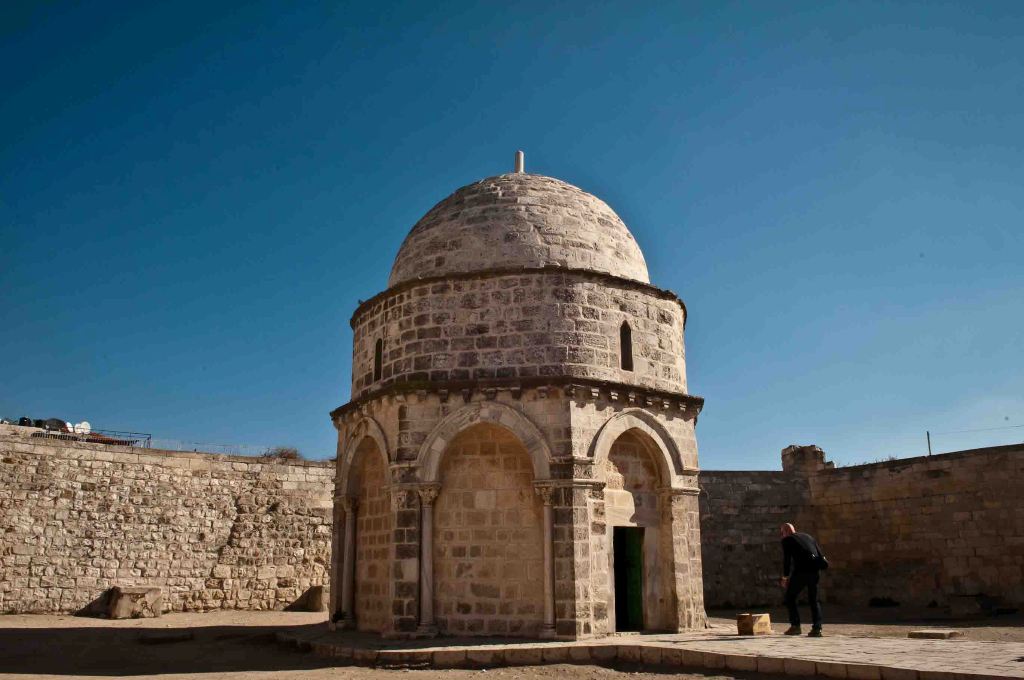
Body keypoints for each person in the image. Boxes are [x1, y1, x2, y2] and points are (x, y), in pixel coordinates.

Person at [779, 523, 825, 637]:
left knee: (790, 597)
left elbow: (787, 561)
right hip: (815, 572)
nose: (782, 535)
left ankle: (795, 626)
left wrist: (785, 577)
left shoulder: (787, 540)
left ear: (785, 532)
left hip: (801, 572)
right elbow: (820, 554)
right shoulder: (808, 537)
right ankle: (817, 628)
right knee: (813, 600)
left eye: (782, 533)